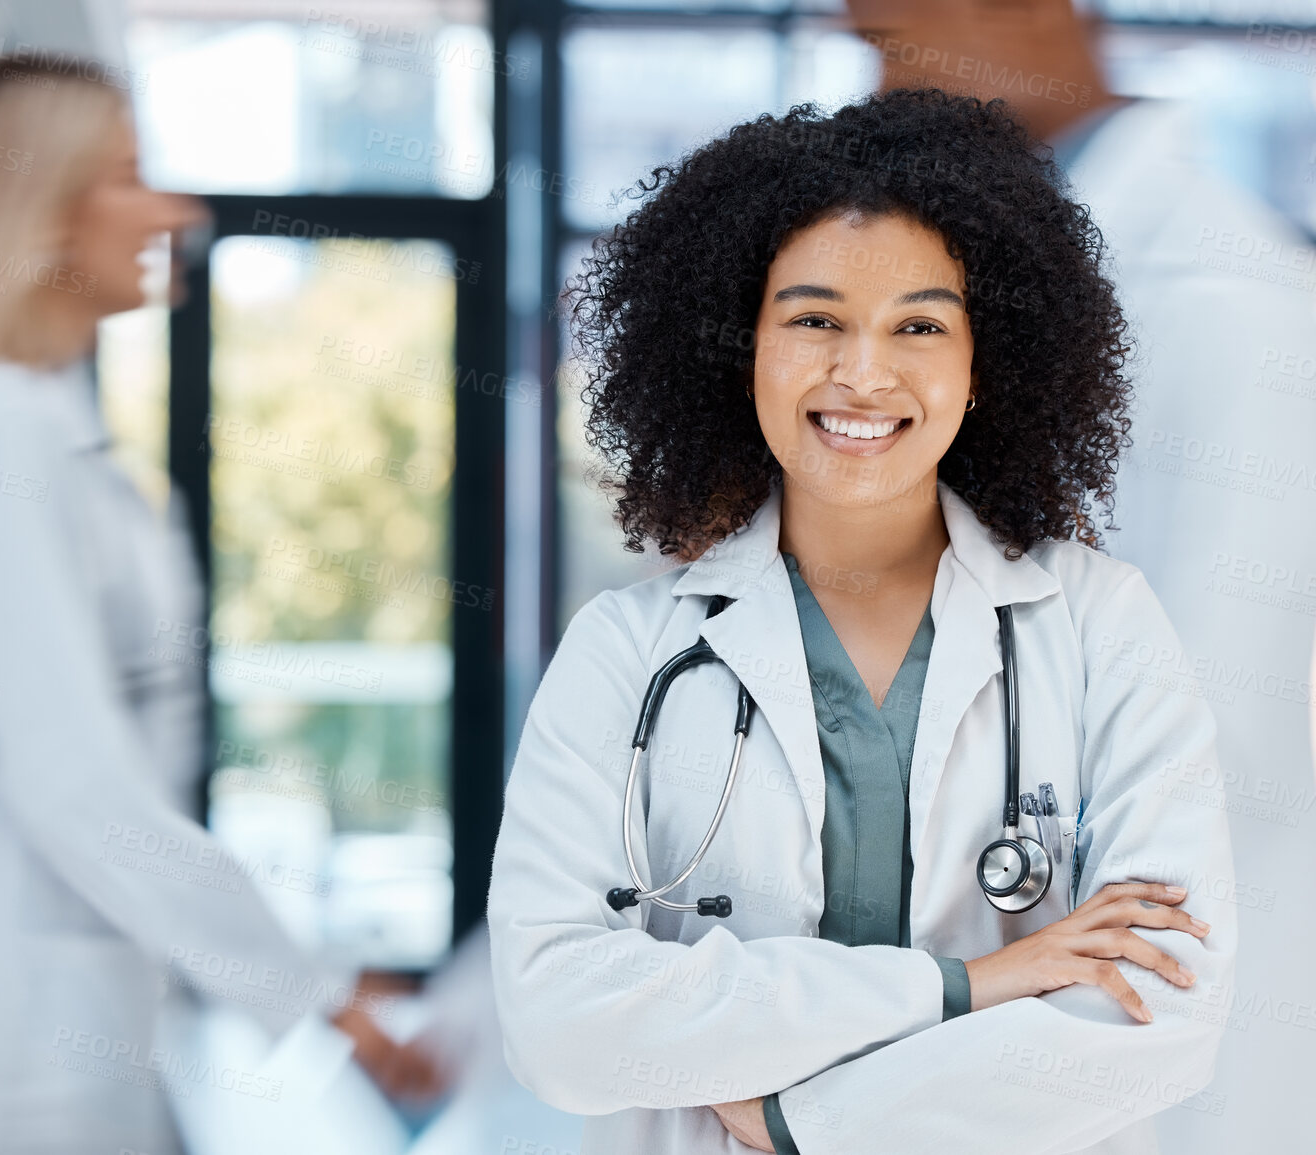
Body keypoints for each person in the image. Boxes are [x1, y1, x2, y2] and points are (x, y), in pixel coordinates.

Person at [487, 88, 1235, 1154]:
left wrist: (803, 1120)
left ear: (988, 364)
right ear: (739, 347)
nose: (864, 373)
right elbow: (558, 1024)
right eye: (815, 320)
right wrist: (966, 985)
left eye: (920, 325)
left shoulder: (1100, 627)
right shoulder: (625, 652)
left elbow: (1161, 1006)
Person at [843, 4, 1316, 1152]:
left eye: (891, 40)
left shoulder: (1225, 297)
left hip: (1181, 1080)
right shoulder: (986, 293)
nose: (879, 92)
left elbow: (1210, 741)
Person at [0, 53, 433, 1155]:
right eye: (130, 176)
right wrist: (319, 997)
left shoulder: (51, 434)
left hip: (81, 1048)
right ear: (41, 213)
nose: (175, 212)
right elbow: (74, 778)